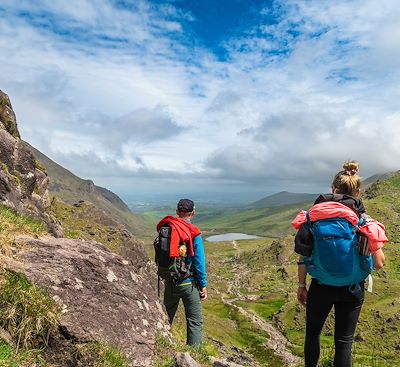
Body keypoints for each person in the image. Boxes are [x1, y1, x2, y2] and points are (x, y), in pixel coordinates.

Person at [292, 161, 387, 367]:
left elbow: (303, 256)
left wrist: (301, 286)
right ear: (358, 192)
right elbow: (379, 263)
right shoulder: (363, 220)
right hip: (352, 290)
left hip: (321, 287)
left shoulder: (312, 218)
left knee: (313, 333)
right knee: (344, 342)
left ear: (333, 189)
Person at [157, 198, 207, 347]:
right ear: (193, 213)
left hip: (169, 281)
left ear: (177, 212)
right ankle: (194, 356)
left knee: (166, 317)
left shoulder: (167, 227)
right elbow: (199, 262)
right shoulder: (193, 233)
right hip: (188, 283)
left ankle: (160, 346)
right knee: (194, 321)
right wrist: (203, 285)